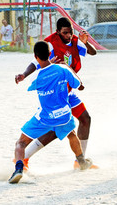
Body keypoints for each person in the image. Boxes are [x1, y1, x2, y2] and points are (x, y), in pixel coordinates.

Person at [14, 17, 97, 169]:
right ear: (58, 32)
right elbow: (36, 62)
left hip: (68, 91)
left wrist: (85, 43)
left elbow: (93, 52)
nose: (69, 35)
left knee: (85, 119)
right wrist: (24, 75)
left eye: (70, 32)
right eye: (65, 33)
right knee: (56, 128)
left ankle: (80, 161)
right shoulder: (51, 42)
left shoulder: (74, 40)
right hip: (57, 93)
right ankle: (24, 158)